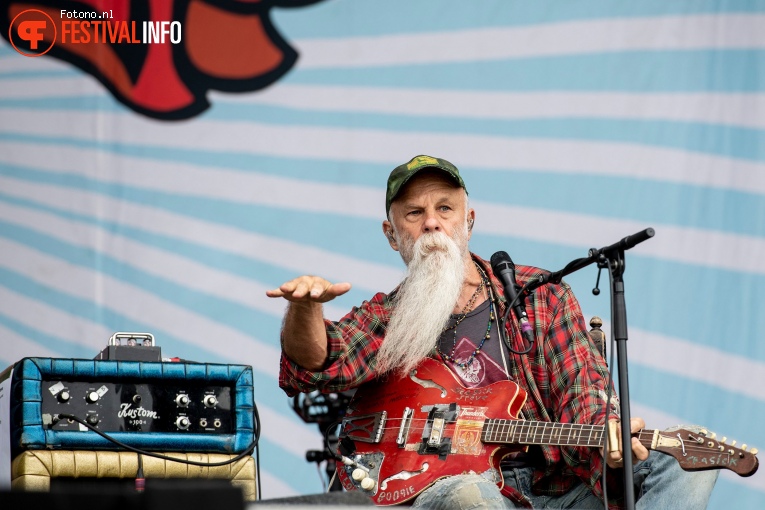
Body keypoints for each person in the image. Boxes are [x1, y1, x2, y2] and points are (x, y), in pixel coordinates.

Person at [267, 155, 718, 509]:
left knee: (681, 466)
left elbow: (583, 390)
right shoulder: (389, 316)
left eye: (445, 208)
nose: (431, 222)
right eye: (414, 213)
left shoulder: (539, 296)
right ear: (391, 234)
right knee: (471, 497)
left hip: (556, 488)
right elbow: (319, 363)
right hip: (451, 490)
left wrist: (605, 432)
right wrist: (304, 309)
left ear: (469, 220)